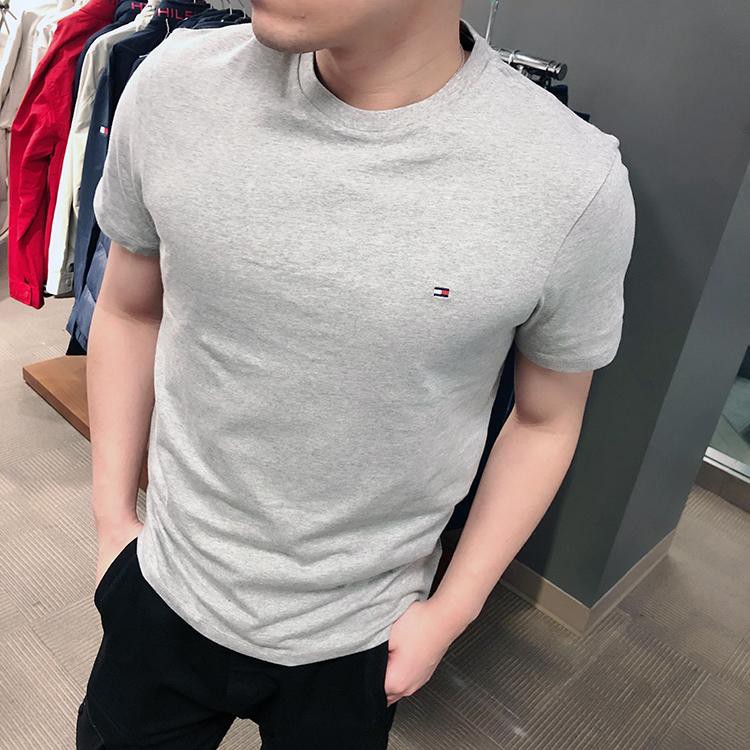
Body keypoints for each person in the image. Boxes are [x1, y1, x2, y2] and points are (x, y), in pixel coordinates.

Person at [76, 0, 636, 748]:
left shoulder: (571, 180)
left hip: (361, 638)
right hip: (162, 586)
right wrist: (112, 521)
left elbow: (546, 419)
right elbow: (128, 308)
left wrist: (452, 613)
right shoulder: (175, 84)